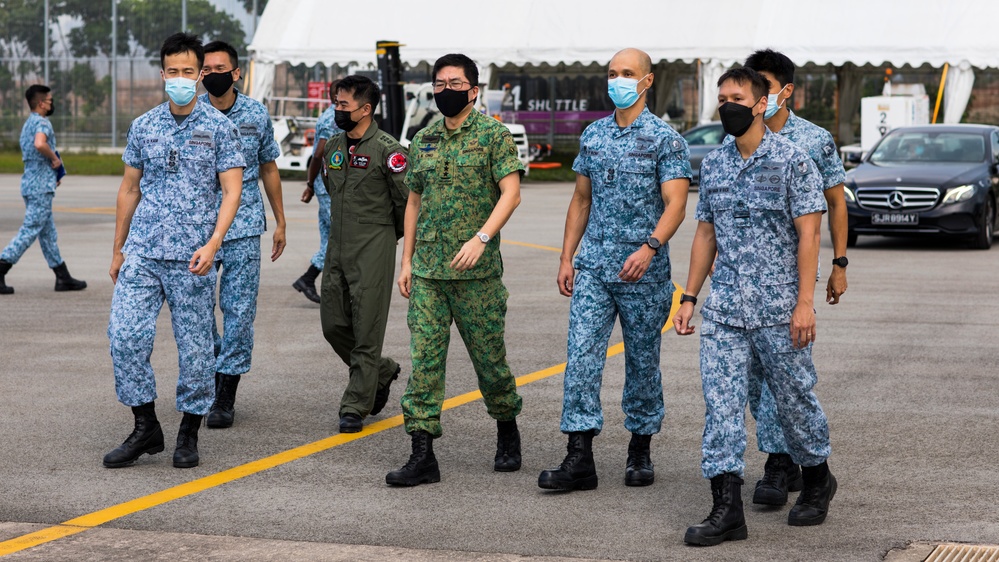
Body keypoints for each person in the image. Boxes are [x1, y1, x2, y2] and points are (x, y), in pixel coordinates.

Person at [674, 67, 836, 546]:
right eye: (722, 98)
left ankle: (816, 479)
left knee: (793, 400)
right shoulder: (716, 163)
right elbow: (706, 233)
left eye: (737, 97)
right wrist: (689, 296)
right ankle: (726, 508)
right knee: (720, 406)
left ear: (761, 103)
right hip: (724, 310)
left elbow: (809, 235)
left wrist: (805, 302)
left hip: (778, 308)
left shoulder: (792, 161)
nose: (728, 106)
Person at [537, 48, 691, 492]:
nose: (618, 80)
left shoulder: (666, 139)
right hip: (594, 269)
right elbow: (581, 199)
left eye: (627, 73)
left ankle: (640, 447)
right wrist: (567, 256)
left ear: (646, 82)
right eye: (612, 73)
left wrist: (650, 247)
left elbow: (676, 204)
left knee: (643, 362)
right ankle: (579, 454)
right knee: (581, 357)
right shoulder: (594, 135)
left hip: (642, 271)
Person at [104, 32, 245, 470]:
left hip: (193, 257)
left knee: (197, 349)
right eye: (173, 72)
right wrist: (118, 248)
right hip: (143, 252)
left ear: (201, 74)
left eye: (189, 71)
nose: (180, 78)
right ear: (162, 73)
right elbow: (128, 189)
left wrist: (214, 242)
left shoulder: (221, 127)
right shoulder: (144, 125)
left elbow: (232, 191)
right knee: (124, 336)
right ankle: (145, 425)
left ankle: (188, 430)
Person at [387, 53, 524, 486]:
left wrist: (481, 238)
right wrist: (406, 260)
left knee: (490, 362)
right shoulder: (423, 138)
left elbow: (511, 193)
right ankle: (422, 452)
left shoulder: (493, 136)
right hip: (428, 271)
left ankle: (507, 429)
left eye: (455, 83)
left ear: (474, 90)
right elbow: (413, 200)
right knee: (424, 362)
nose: (447, 91)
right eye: (440, 84)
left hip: (476, 277)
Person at [742, 48, 848, 507]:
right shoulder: (742, 139)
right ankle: (782, 456)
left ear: (786, 91)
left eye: (764, 87)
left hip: (792, 275)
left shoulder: (814, 140)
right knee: (753, 375)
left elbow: (836, 202)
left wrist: (840, 264)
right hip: (748, 275)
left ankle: (781, 462)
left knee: (785, 370)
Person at [199, 40, 287, 429]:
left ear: (236, 72)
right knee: (198, 312)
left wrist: (280, 220)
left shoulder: (255, 113)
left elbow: (268, 167)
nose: (213, 75)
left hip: (245, 225)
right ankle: (213, 370)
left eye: (221, 68)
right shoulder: (190, 113)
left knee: (237, 312)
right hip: (198, 228)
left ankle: (225, 392)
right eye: (206, 69)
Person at [318, 75, 407, 433]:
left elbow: (407, 203)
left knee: (367, 328)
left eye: (343, 105)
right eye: (336, 103)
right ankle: (381, 371)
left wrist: (389, 240)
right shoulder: (334, 146)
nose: (336, 110)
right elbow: (330, 185)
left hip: (374, 244)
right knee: (333, 324)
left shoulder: (390, 150)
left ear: (366, 110)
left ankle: (355, 403)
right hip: (338, 245)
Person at [0, 85, 87, 294]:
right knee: (30, 229)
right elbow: (40, 144)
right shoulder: (42, 123)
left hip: (31, 183)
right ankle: (2, 266)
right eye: (49, 100)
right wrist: (55, 159)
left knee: (48, 234)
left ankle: (62, 277)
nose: (51, 104)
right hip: (40, 187)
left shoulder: (28, 123)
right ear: (41, 103)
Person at [293, 82, 340, 304]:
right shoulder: (333, 118)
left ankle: (313, 281)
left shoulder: (334, 114)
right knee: (338, 237)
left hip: (327, 185)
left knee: (330, 238)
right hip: (328, 186)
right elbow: (319, 154)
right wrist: (310, 184)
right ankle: (309, 278)